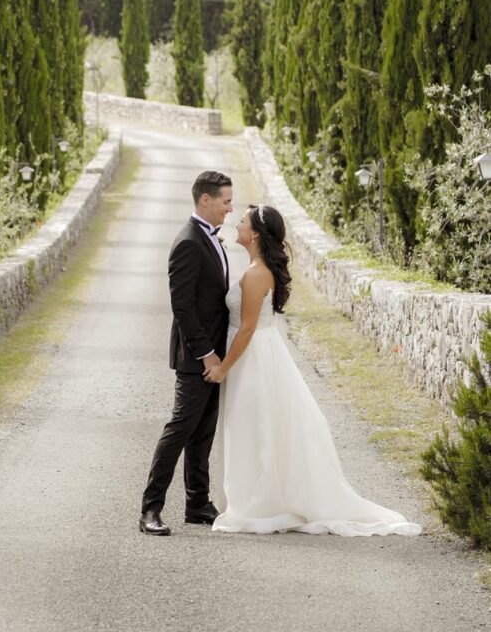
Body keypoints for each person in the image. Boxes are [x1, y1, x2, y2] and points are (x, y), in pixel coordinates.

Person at [205, 204, 422, 537]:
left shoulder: (255, 273)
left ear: (257, 234)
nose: (238, 225)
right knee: (255, 423)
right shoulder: (256, 268)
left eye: (244, 222)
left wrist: (222, 369)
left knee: (254, 423)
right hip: (259, 352)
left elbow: (247, 328)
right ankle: (252, 494)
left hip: (252, 357)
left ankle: (257, 502)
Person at [139, 170, 234, 536]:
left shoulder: (210, 238)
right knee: (179, 430)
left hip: (215, 356)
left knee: (203, 433)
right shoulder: (188, 243)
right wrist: (208, 354)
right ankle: (150, 509)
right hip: (197, 358)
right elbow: (183, 308)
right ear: (205, 200)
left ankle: (197, 503)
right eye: (225, 201)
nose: (230, 207)